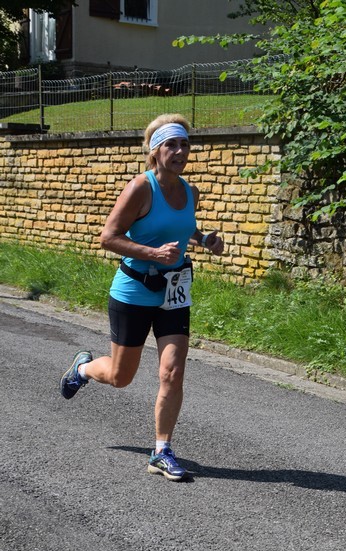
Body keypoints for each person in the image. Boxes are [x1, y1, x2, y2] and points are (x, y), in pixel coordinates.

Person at [59, 113, 224, 481]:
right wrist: (152, 254)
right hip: (133, 290)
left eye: (184, 144)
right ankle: (83, 369)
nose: (180, 151)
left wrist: (204, 239)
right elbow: (108, 237)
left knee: (172, 372)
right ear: (155, 151)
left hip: (174, 292)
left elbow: (182, 228)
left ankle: (162, 451)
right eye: (171, 145)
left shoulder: (190, 192)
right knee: (120, 377)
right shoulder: (140, 188)